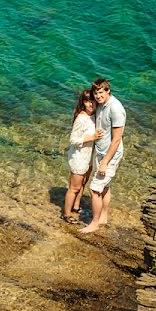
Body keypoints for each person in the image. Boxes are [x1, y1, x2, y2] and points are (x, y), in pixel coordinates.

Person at [80, 78, 125, 234]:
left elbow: (117, 139)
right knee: (104, 186)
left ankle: (94, 223)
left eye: (101, 92)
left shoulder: (116, 108)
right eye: (96, 93)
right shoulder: (100, 104)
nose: (98, 96)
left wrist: (105, 162)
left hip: (110, 155)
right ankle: (103, 217)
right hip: (100, 151)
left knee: (94, 189)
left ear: (108, 91)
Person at [62, 89, 103, 223]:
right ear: (83, 103)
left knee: (83, 184)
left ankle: (76, 206)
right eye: (87, 101)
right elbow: (73, 140)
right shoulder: (81, 118)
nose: (91, 104)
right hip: (79, 157)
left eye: (93, 101)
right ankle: (66, 214)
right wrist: (92, 137)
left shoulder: (94, 115)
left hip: (89, 156)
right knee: (74, 188)